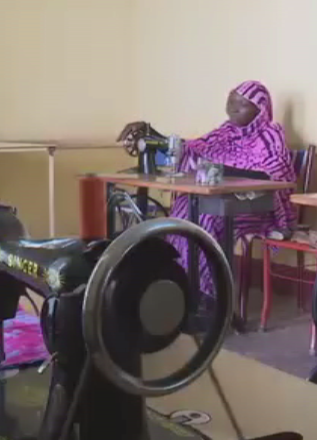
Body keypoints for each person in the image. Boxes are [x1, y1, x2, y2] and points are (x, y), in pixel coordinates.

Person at [118, 81, 296, 294]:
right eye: (231, 102)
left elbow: (275, 174)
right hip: (219, 200)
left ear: (261, 109)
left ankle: (207, 293)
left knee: (206, 218)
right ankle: (181, 283)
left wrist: (224, 171)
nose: (234, 108)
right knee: (182, 211)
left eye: (242, 104)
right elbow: (192, 150)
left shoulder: (270, 135)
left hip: (257, 207)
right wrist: (152, 133)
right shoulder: (224, 133)